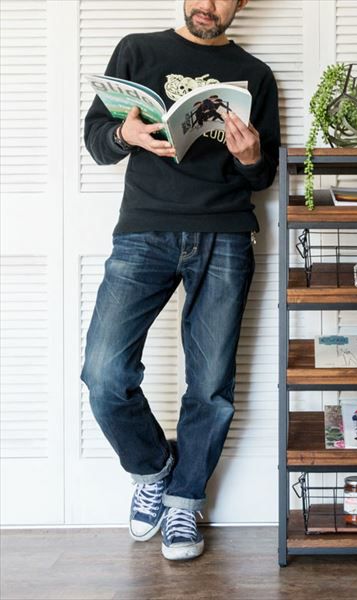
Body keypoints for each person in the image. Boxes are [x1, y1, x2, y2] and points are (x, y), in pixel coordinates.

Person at [81, 0, 280, 562]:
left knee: (210, 385)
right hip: (144, 231)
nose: (206, 4)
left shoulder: (255, 74)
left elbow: (263, 174)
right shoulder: (137, 50)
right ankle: (153, 469)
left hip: (225, 234)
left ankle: (185, 499)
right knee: (103, 373)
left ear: (241, 3)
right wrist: (127, 135)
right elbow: (97, 141)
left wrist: (251, 155)